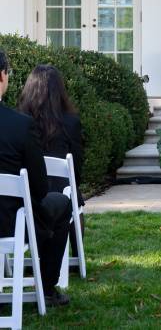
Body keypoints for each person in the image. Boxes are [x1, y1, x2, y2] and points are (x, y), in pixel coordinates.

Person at [0, 51, 71, 306]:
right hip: (7, 224)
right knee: (61, 204)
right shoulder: (19, 125)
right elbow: (40, 187)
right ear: (2, 76)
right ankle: (48, 288)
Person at [18, 65, 84, 258]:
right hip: (60, 189)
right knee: (75, 197)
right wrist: (74, 185)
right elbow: (77, 162)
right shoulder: (71, 121)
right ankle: (77, 254)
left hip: (28, 189)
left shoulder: (20, 121)